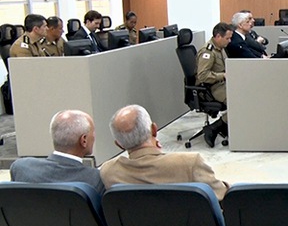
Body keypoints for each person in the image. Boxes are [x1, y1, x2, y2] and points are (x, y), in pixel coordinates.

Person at [99, 105, 230, 200]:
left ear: (119, 144)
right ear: (154, 130)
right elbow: (225, 196)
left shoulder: (108, 172)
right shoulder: (189, 163)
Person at [10, 110, 104, 194]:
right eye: (93, 132)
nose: (94, 136)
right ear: (84, 140)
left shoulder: (21, 167)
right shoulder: (95, 179)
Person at [196, 22, 233, 147]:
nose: (230, 41)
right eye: (227, 38)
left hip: (225, 83)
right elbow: (202, 75)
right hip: (214, 87)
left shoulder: (220, 49)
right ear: (218, 36)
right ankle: (214, 128)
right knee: (239, 103)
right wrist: (222, 76)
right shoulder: (208, 52)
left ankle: (223, 125)